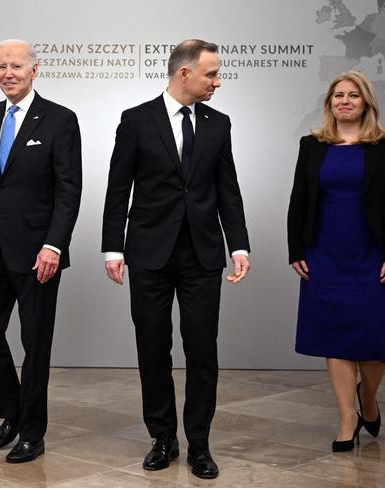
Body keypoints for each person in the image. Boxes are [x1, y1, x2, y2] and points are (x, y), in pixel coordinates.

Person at [101, 39, 250, 479]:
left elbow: (228, 189)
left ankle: (200, 444)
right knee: (153, 348)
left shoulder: (219, 123)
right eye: (211, 73)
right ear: (184, 73)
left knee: (202, 352)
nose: (217, 82)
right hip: (148, 254)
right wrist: (114, 247)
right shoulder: (136, 120)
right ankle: (162, 437)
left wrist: (238, 245)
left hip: (202, 255)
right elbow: (117, 189)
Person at [0, 39, 82, 463]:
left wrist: (54, 245)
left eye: (17, 66)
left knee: (35, 344)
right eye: (2, 66)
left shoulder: (61, 120)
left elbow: (69, 190)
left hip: (38, 254)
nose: (8, 73)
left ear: (34, 70)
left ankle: (32, 431)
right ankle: (11, 411)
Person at [287, 71, 385, 452]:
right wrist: (296, 251)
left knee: (374, 344)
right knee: (334, 337)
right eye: (338, 95)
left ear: (366, 103)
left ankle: (368, 398)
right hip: (324, 253)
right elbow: (299, 202)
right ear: (330, 104)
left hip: (371, 254)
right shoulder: (312, 145)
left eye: (353, 95)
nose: (344, 101)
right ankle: (347, 418)